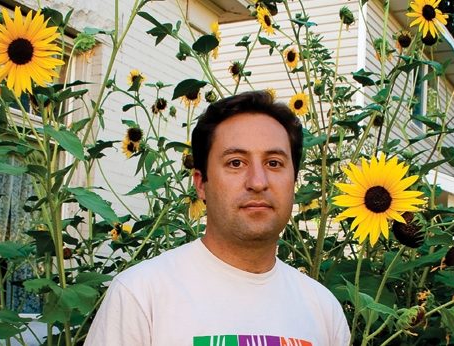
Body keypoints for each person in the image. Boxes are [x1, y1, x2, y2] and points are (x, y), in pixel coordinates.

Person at [85, 91, 351, 345]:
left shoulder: (323, 311)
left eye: (274, 163)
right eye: (236, 163)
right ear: (201, 184)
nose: (258, 182)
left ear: (293, 181)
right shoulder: (141, 297)